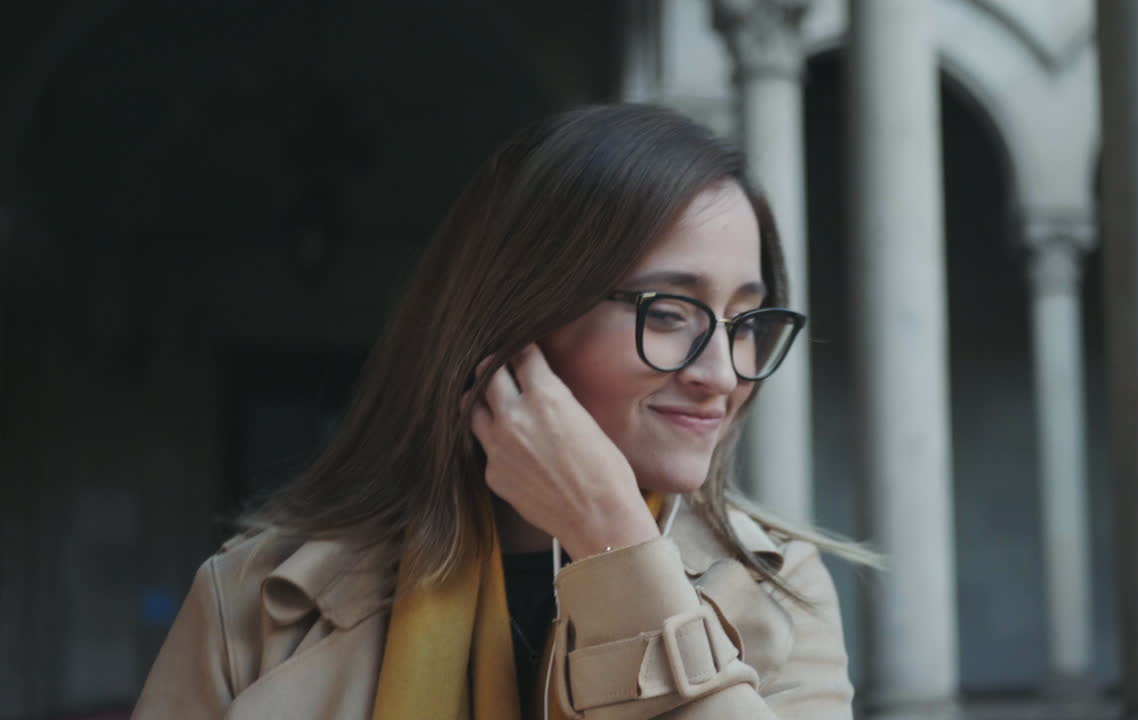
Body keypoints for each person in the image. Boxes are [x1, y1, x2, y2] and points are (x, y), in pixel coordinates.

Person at [133, 103, 876, 720]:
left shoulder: (777, 589)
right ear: (518, 319)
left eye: (746, 323)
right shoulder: (256, 601)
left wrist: (613, 543)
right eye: (670, 313)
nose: (722, 374)